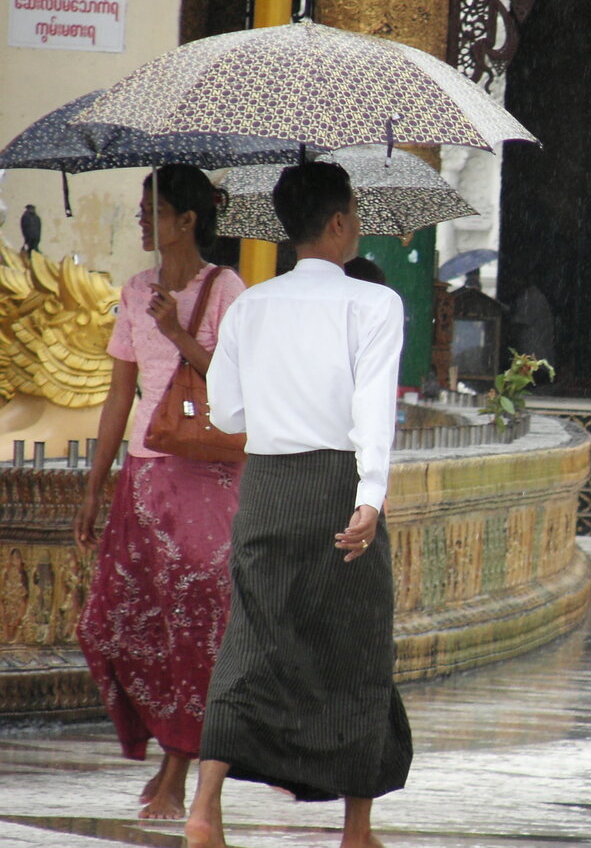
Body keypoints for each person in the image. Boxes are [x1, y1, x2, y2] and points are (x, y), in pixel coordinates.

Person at [185, 162, 412, 848]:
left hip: (267, 488)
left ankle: (204, 810)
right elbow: (373, 407)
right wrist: (370, 496)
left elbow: (227, 411)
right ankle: (356, 827)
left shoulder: (250, 305)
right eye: (356, 214)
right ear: (338, 222)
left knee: (252, 637)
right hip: (338, 484)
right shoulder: (374, 304)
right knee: (357, 643)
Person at [74, 164, 245, 820]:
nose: (144, 220)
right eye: (144, 210)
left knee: (195, 619)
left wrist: (178, 333)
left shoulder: (227, 288)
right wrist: (96, 486)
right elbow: (120, 393)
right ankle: (166, 743)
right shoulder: (135, 289)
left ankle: (178, 769)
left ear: (188, 221)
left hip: (205, 473)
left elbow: (241, 380)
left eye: (155, 210)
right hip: (144, 477)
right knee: (117, 621)